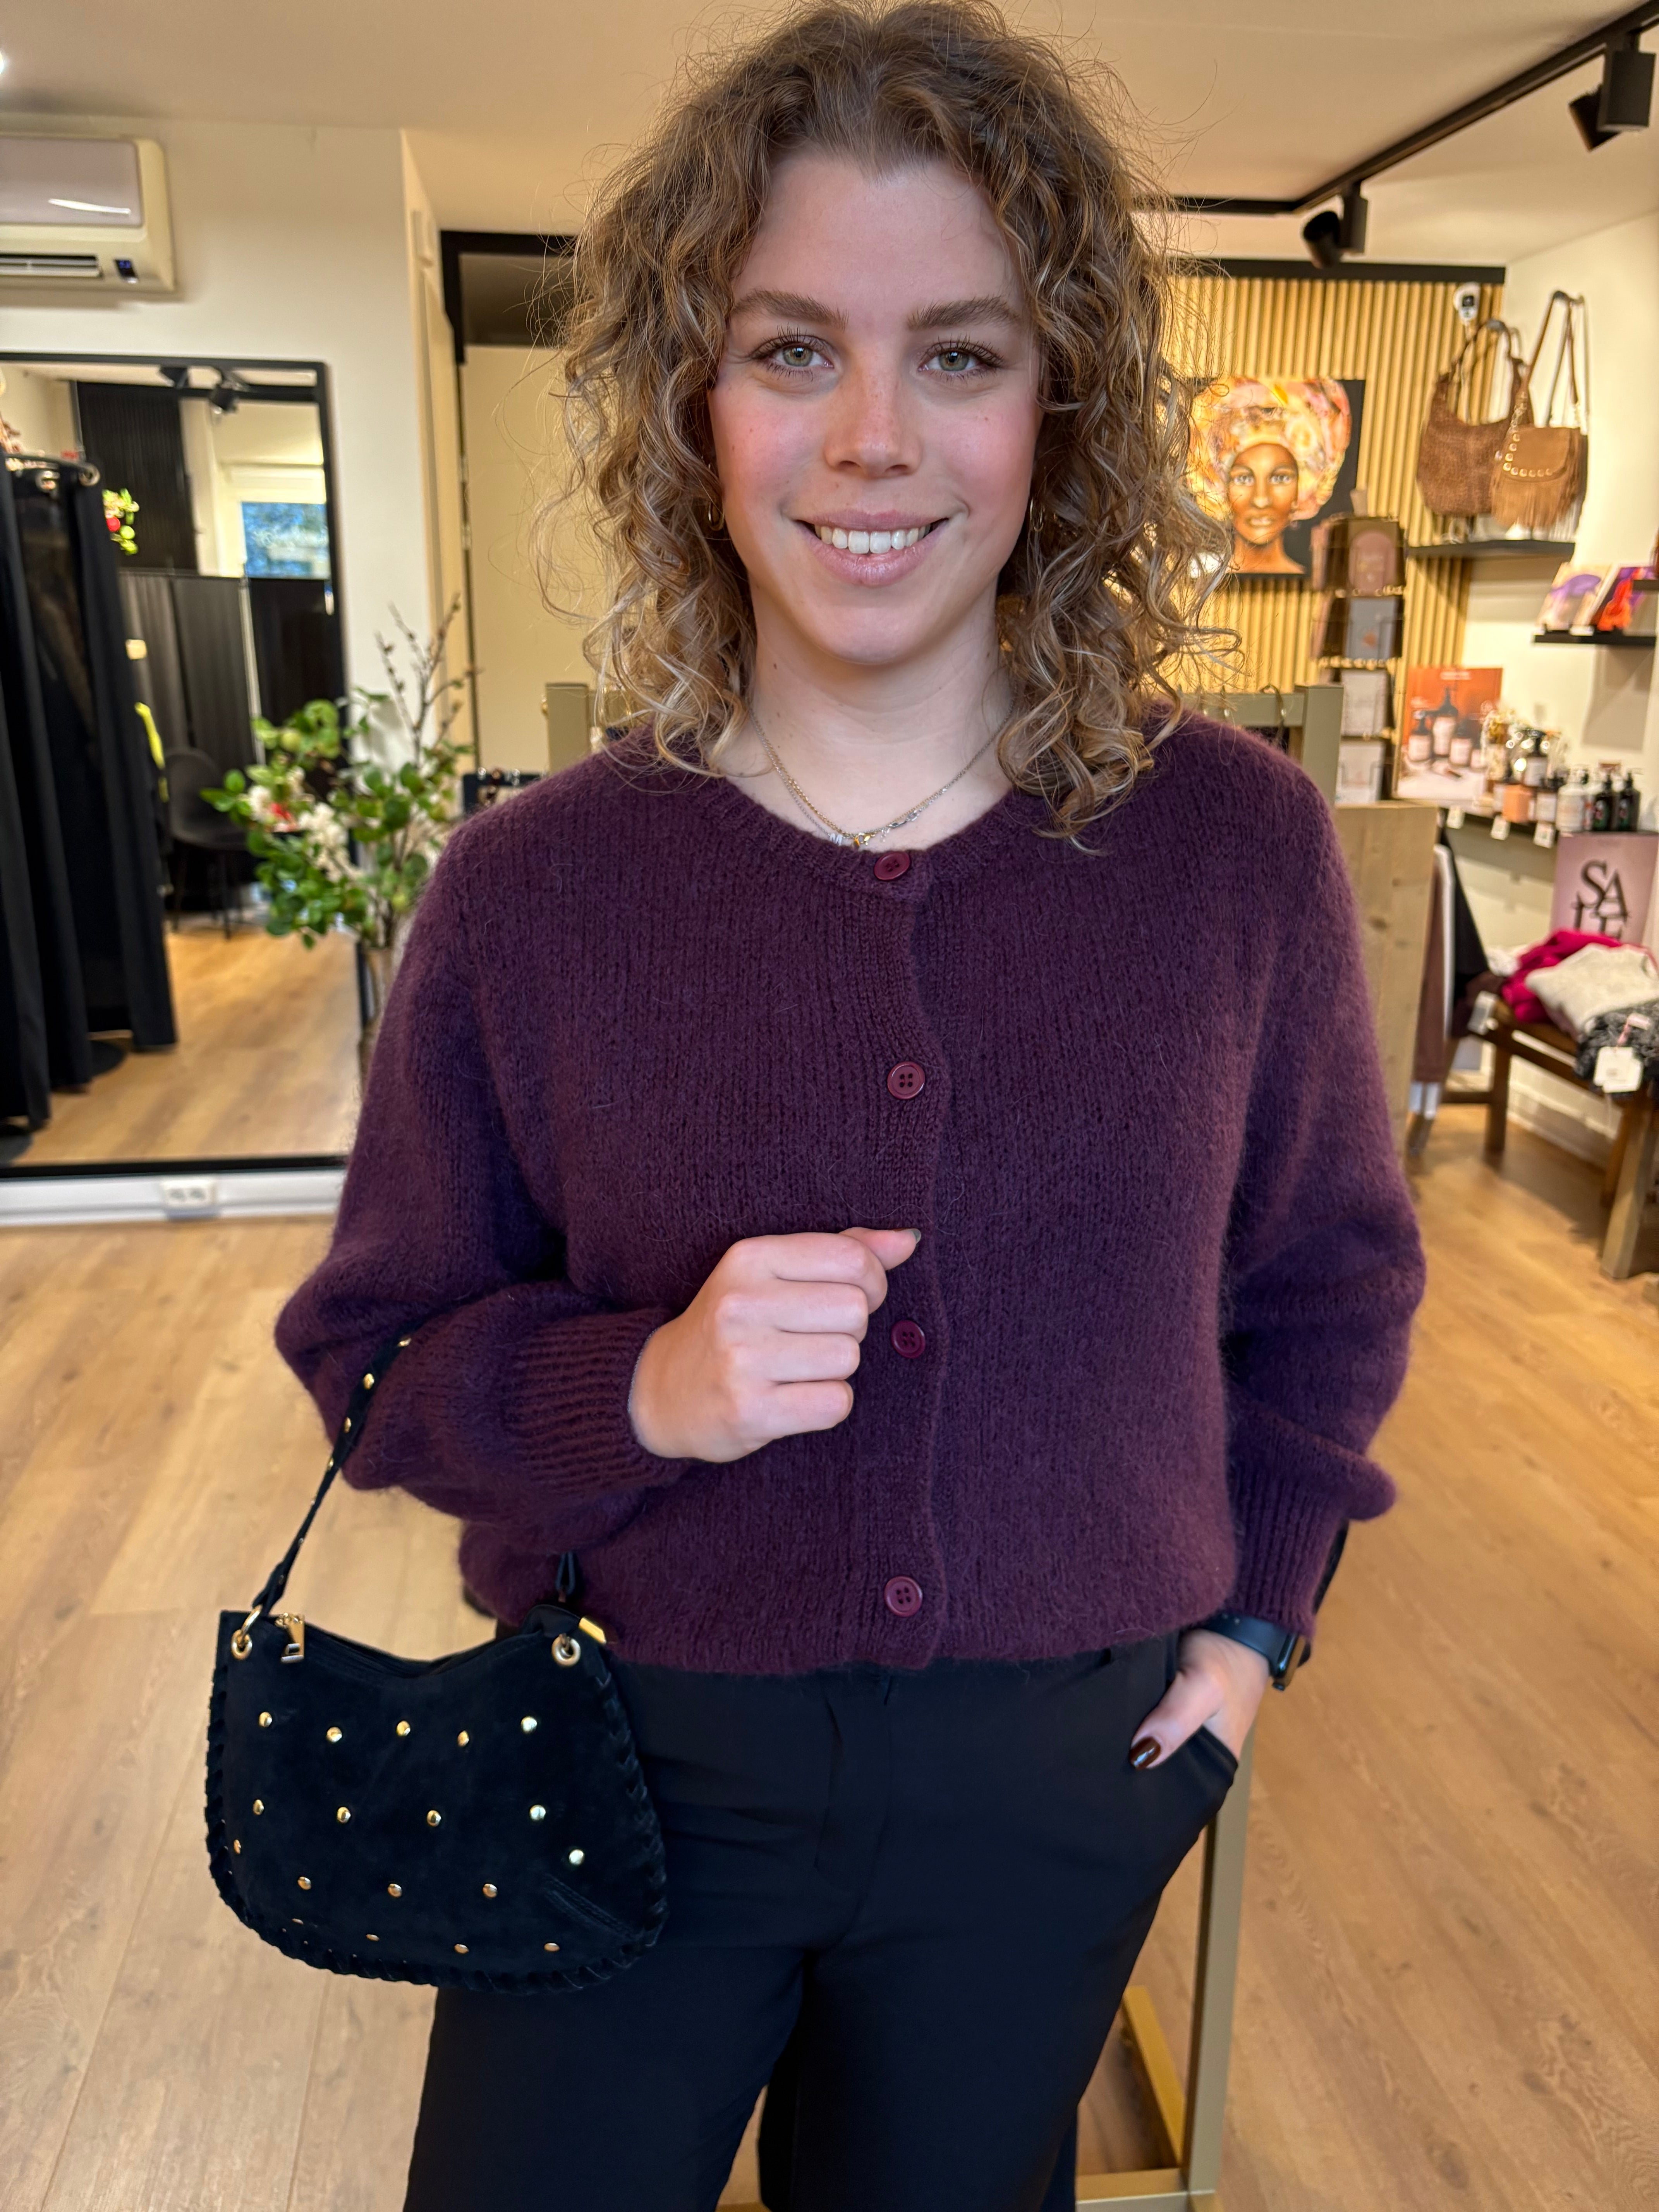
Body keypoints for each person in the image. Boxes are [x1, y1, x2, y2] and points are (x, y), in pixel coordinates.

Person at [274, 7, 1425, 2208]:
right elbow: (373, 1356)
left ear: (1057, 404)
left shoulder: (1231, 849)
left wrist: (1258, 1627)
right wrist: (648, 1389)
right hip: (623, 1744)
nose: (874, 440)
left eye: (960, 355)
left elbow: (1330, 1282)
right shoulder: (537, 890)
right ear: (692, 404)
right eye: (793, 350)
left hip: (1063, 1776)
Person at [1188, 376, 1352, 574]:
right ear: (1220, 487)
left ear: (1303, 490)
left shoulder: (1315, 584)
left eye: (1280, 478)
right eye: (1244, 479)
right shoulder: (1197, 582)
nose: (1261, 500)